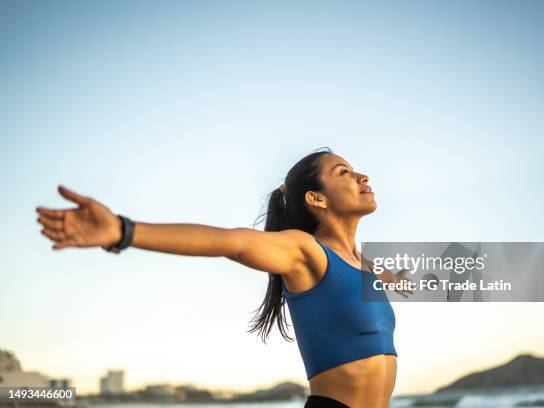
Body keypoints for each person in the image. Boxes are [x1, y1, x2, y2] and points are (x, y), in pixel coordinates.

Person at [36, 147, 411, 408]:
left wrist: (413, 278)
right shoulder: (305, 251)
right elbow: (230, 242)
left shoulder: (368, 265)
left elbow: (448, 277)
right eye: (344, 172)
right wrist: (123, 231)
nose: (363, 176)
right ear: (317, 198)